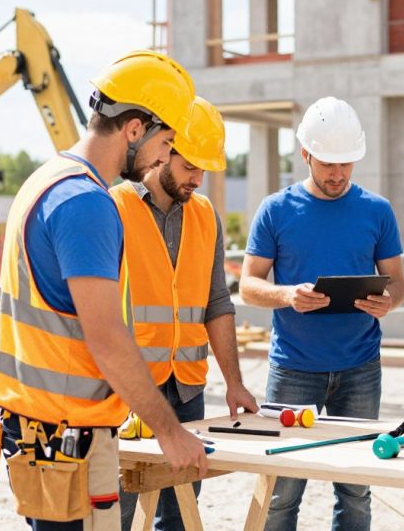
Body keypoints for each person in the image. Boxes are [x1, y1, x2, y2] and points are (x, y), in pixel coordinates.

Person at [0, 50, 207, 530]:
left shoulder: (45, 181)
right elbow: (106, 337)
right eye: (166, 141)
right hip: (71, 440)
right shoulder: (87, 204)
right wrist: (171, 432)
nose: (165, 156)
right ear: (133, 129)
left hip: (38, 432)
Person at [239, 97, 404, 531]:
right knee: (281, 492)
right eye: (329, 164)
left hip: (360, 369)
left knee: (355, 489)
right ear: (306, 155)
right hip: (293, 370)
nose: (338, 174)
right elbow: (248, 285)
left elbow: (398, 282)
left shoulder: (377, 210)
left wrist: (389, 303)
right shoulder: (275, 210)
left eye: (347, 164)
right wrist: (286, 295)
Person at [114, 97, 259, 531]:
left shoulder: (205, 216)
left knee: (181, 509)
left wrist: (234, 382)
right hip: (130, 390)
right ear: (164, 151)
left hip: (188, 388)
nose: (198, 179)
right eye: (190, 167)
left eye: (204, 170)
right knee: (118, 508)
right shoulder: (114, 207)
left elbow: (217, 302)